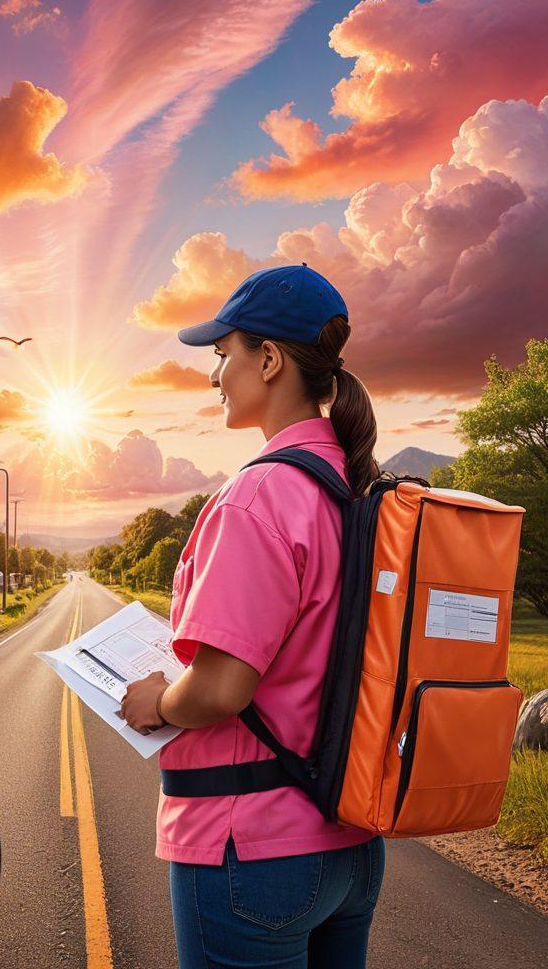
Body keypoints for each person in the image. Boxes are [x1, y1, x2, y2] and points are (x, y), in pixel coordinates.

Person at [120, 263, 385, 969]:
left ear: (267, 359)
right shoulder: (354, 492)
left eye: (221, 353)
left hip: (253, 847)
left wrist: (156, 701)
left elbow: (219, 689)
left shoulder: (258, 497)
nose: (214, 374)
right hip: (350, 844)